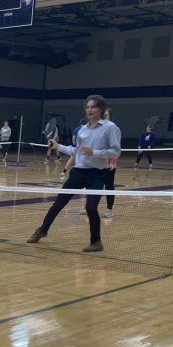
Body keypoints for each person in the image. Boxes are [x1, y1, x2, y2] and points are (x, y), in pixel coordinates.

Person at [26, 95, 121, 252]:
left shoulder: (110, 128)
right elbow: (76, 151)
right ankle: (42, 230)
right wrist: (58, 146)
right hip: (78, 173)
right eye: (87, 107)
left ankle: (96, 242)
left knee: (91, 208)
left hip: (97, 175)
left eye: (93, 107)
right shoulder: (83, 130)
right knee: (58, 203)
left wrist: (94, 152)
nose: (89, 110)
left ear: (101, 109)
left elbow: (116, 152)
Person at [102, 108, 121, 218]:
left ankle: (109, 209)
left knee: (109, 186)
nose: (104, 117)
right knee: (94, 186)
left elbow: (116, 148)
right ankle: (89, 207)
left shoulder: (115, 129)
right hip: (98, 162)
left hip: (109, 164)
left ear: (110, 116)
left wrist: (113, 162)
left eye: (106, 115)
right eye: (103, 115)